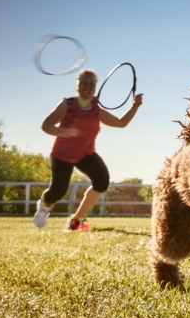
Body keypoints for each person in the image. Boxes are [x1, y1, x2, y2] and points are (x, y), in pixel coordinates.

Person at [33, 68, 143, 231]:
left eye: (91, 84)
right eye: (84, 82)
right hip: (62, 154)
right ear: (77, 86)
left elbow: (121, 123)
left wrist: (135, 106)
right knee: (58, 191)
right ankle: (44, 205)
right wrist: (63, 132)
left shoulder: (96, 109)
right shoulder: (67, 104)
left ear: (95, 88)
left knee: (102, 182)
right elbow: (46, 125)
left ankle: (76, 221)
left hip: (85, 153)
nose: (87, 87)